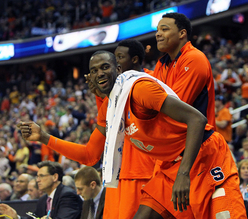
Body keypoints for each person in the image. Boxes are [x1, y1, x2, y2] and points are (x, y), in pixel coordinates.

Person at [17, 51, 246, 218]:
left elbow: (197, 119)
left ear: (119, 69)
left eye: (105, 67)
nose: (99, 73)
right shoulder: (111, 108)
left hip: (203, 157)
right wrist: (45, 138)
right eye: (94, 70)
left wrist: (183, 174)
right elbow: (90, 155)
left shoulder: (139, 89)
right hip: (169, 168)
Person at [86, 39, 156, 219]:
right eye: (94, 71)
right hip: (117, 175)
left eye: (119, 58)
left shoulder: (148, 83)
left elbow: (193, 118)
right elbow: (109, 123)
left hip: (145, 173)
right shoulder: (113, 96)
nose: (116, 62)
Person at [152, 12, 216, 129]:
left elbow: (175, 108)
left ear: (182, 33)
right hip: (171, 140)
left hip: (199, 142)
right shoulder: (161, 64)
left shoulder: (194, 58)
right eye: (157, 30)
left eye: (164, 29)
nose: (158, 34)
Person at [0, 161, 83, 219]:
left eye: (41, 176)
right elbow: (36, 218)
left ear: (55, 177)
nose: (37, 180)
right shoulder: (43, 199)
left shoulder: (67, 195)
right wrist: (17, 217)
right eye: (37, 176)